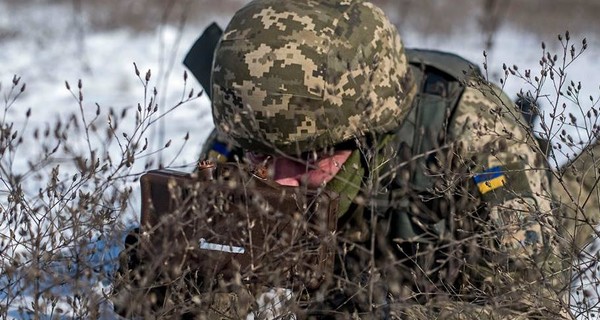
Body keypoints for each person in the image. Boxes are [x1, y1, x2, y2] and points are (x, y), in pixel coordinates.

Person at [198, 0, 574, 318]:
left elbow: (532, 302)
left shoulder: (473, 129)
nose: (278, 180)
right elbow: (219, 276)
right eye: (260, 155)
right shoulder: (257, 122)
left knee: (576, 199)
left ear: (367, 139)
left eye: (307, 159)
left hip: (465, 240)